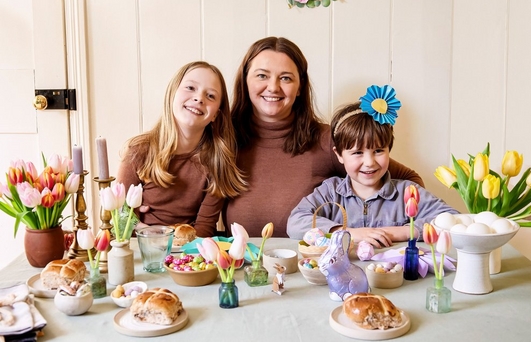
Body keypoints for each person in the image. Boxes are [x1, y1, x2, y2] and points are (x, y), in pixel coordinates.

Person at [222, 36, 424, 238]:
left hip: (312, 266)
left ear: (300, 87)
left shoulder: (327, 140)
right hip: (241, 266)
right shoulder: (225, 141)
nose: (273, 87)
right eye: (262, 76)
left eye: (286, 78)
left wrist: (375, 233)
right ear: (245, 80)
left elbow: (409, 181)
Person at [287, 87, 459, 247]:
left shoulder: (408, 192)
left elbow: (455, 220)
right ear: (339, 155)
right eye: (357, 153)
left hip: (395, 276)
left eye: (378, 150)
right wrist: (347, 233)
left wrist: (403, 231)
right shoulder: (330, 191)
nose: (369, 162)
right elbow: (295, 222)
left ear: (388, 149)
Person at [117, 61, 247, 238]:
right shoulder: (139, 151)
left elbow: (204, 227)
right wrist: (145, 230)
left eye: (210, 96)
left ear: (216, 113)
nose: (199, 98)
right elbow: (118, 214)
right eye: (190, 88)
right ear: (172, 94)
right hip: (141, 251)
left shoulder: (217, 162)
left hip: (189, 253)